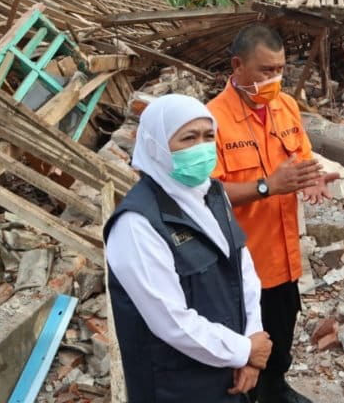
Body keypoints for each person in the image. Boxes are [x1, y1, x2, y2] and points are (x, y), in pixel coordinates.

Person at [104, 95, 272, 403]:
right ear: (157, 146)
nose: (203, 147)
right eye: (188, 138)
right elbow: (170, 320)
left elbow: (243, 269)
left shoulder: (212, 194)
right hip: (177, 386)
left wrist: (251, 347)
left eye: (209, 136)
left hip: (228, 370)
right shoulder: (137, 223)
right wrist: (243, 350)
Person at [208, 24, 338, 403]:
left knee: (281, 333)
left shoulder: (286, 106)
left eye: (280, 69)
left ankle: (277, 389)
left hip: (284, 256)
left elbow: (301, 157)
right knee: (243, 350)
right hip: (242, 262)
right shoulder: (212, 120)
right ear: (238, 65)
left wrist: (312, 178)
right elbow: (206, 195)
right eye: (266, 71)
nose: (275, 79)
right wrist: (266, 186)